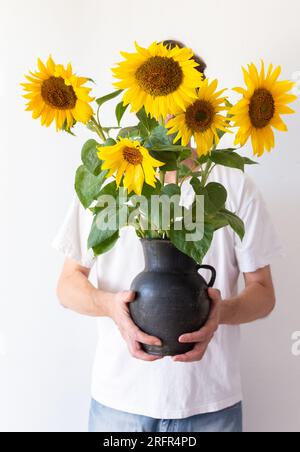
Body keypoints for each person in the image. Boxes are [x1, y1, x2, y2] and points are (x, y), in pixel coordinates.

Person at [53, 41, 282, 433]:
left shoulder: (231, 185)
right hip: (119, 401)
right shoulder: (109, 177)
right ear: (141, 95)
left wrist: (219, 313)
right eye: (157, 89)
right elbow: (67, 284)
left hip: (211, 402)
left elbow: (263, 292)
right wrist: (110, 306)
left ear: (198, 100)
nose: (167, 106)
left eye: (178, 91)